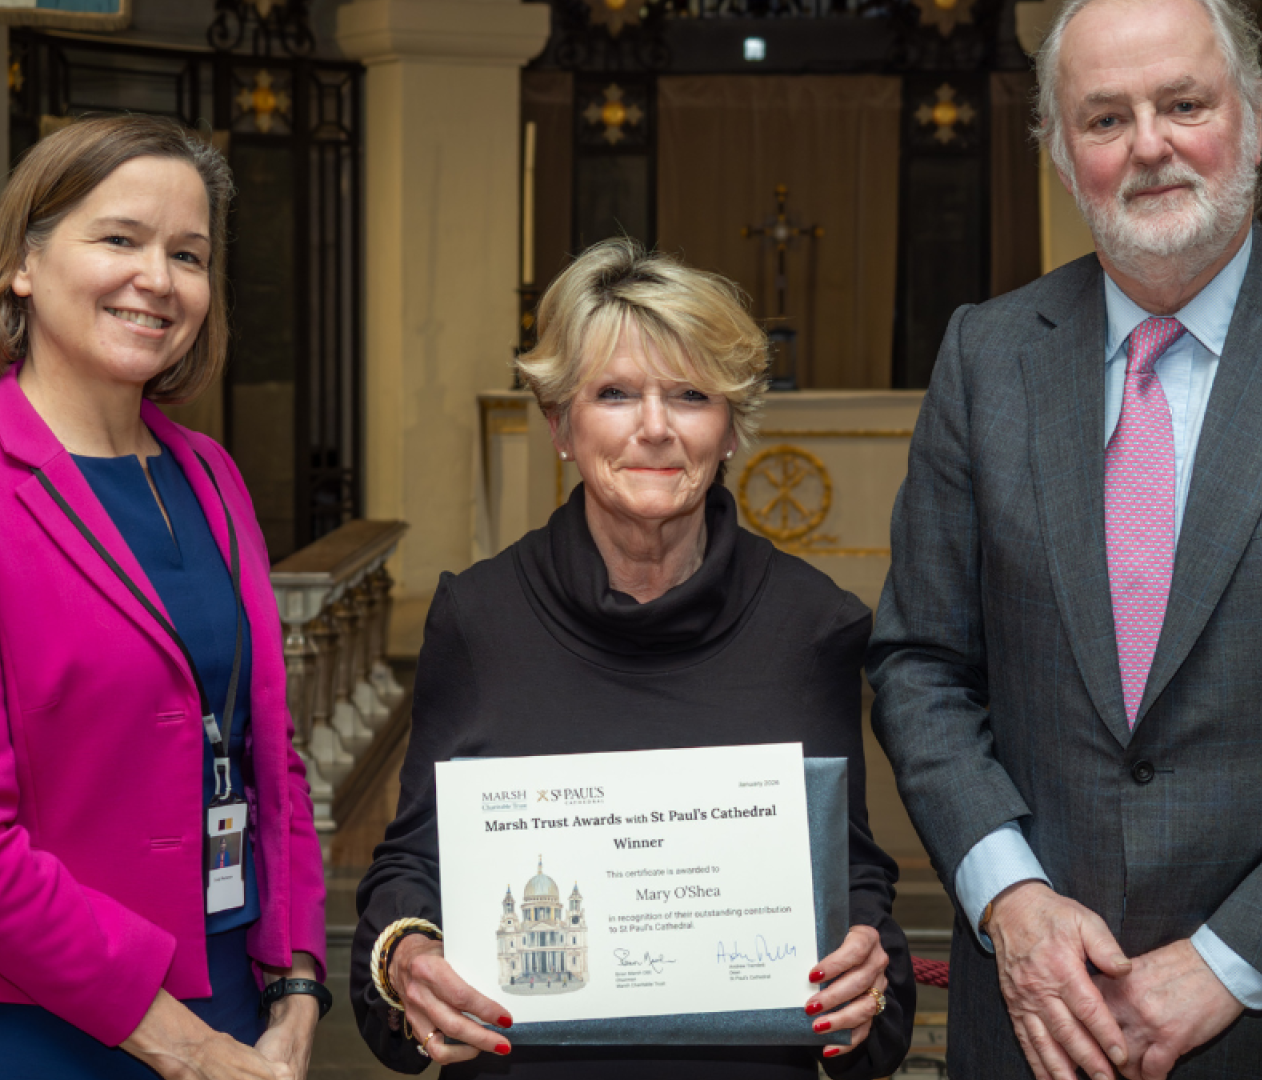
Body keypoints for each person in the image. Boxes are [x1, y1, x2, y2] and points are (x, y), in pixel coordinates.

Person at [867, 0, 1262, 1077]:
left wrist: (1227, 961)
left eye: (1183, 104)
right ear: (1063, 158)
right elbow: (920, 663)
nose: (1151, 145)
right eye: (1105, 118)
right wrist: (1010, 894)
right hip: (1043, 1018)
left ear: (1255, 120)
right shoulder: (984, 359)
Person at [351, 239, 915, 1080]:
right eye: (615, 394)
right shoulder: (479, 619)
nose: (655, 427)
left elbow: (848, 876)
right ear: (560, 425)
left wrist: (867, 971)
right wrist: (405, 956)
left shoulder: (813, 627)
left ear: (729, 428)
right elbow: (412, 863)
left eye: (690, 395)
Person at [0, 115, 328, 1080]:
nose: (158, 277)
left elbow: (267, 756)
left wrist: (300, 977)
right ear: (24, 264)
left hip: (235, 990)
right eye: (119, 239)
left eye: (187, 254)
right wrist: (184, 1048)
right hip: (31, 1020)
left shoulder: (212, 477)